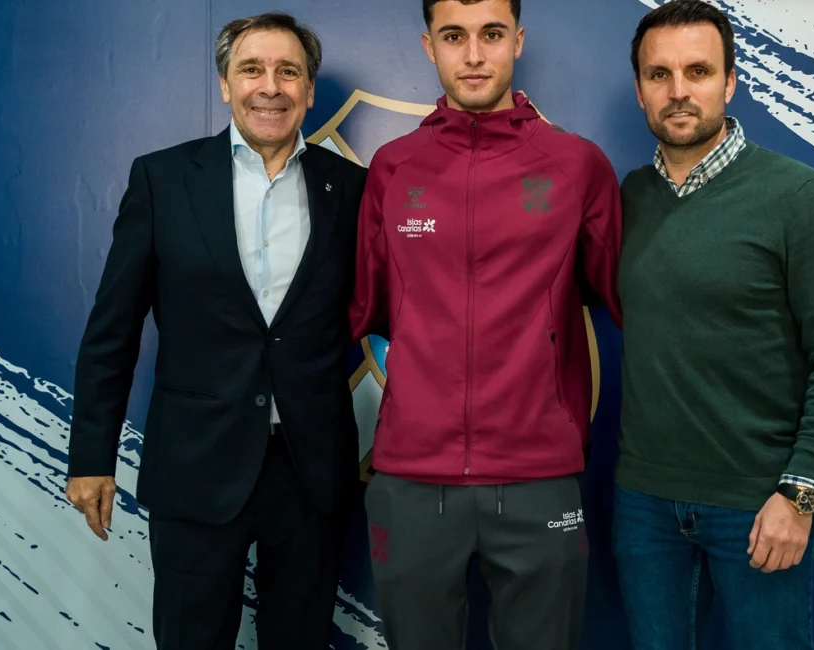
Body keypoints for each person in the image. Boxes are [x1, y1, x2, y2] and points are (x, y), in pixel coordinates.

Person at [63, 12, 367, 650]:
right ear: (226, 85)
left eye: (289, 72)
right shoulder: (163, 179)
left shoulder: (353, 190)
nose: (270, 87)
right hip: (195, 464)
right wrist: (92, 456)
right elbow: (112, 330)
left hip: (310, 469)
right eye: (251, 69)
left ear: (310, 90)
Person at [350, 1, 623, 648]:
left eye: (491, 34)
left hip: (539, 475)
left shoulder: (577, 164)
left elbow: (624, 297)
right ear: (429, 46)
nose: (473, 55)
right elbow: (367, 308)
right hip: (412, 477)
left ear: (517, 40)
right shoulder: (393, 167)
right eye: (454, 36)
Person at [612, 2, 814, 649]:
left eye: (698, 71)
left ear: (729, 82)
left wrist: (799, 494)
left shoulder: (798, 196)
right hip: (644, 505)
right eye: (659, 74)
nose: (678, 91)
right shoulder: (629, 198)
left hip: (759, 505)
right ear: (640, 89)